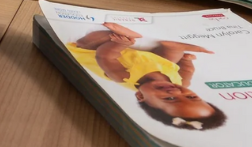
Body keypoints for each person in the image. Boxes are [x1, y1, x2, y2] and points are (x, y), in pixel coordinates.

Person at [65, 22, 226, 131]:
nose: (176, 92)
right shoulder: (180, 83)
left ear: (141, 95)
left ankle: (125, 36)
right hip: (153, 60)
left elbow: (104, 57)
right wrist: (186, 61)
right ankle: (174, 47)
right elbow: (187, 73)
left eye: (169, 99)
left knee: (92, 40)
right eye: (191, 97)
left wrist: (121, 44)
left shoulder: (124, 77)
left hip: (104, 51)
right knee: (171, 59)